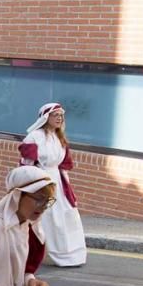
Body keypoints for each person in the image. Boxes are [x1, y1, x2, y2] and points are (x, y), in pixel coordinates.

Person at [19, 103, 87, 266]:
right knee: (40, 218)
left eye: (61, 115)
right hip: (40, 180)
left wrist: (66, 188)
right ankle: (24, 253)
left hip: (57, 181)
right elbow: (27, 165)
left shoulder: (59, 138)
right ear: (45, 117)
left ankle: (71, 255)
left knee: (66, 216)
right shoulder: (34, 137)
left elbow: (64, 164)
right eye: (55, 115)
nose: (59, 118)